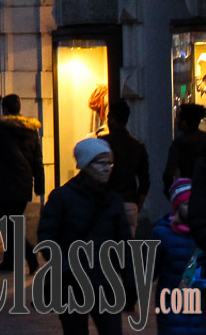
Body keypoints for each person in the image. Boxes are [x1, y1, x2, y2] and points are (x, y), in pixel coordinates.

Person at [37, 137, 134, 335]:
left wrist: (131, 282)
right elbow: (47, 237)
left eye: (110, 163)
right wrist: (64, 267)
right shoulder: (62, 197)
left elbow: (125, 244)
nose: (107, 168)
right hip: (72, 284)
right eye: (101, 163)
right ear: (85, 165)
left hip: (105, 282)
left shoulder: (113, 200)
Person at [0, 93, 45, 273]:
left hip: (4, 183)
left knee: (10, 224)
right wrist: (40, 185)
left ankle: (30, 255)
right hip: (23, 183)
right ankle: (10, 260)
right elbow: (38, 159)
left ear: (4, 109)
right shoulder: (31, 130)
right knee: (14, 222)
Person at [153, 179, 206, 335]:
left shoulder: (203, 235)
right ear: (177, 206)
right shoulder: (162, 234)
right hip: (172, 311)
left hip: (201, 313)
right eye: (187, 203)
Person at [99, 98, 150, 236]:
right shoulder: (137, 146)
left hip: (106, 202)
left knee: (105, 248)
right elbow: (145, 181)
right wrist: (137, 205)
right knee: (126, 250)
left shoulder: (103, 143)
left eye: (109, 117)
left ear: (113, 119)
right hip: (129, 202)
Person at [164, 104, 206, 188]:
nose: (177, 121)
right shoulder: (205, 139)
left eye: (179, 118)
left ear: (185, 122)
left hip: (187, 190)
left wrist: (171, 191)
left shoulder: (179, 143)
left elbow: (168, 174)